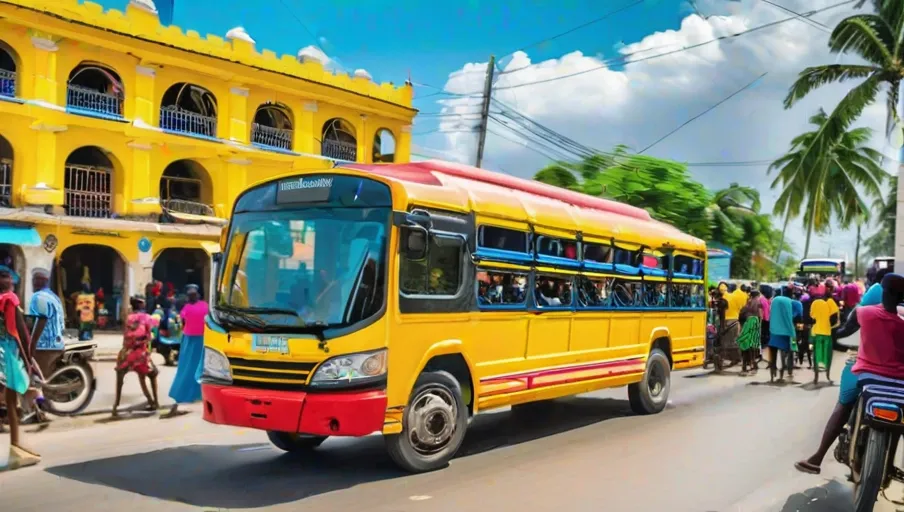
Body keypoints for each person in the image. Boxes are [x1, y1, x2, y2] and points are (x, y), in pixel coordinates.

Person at [794, 275, 904, 475]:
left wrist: (832, 337)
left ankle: (818, 456)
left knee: (844, 403)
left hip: (866, 373)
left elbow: (845, 331)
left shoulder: (865, 312)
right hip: (899, 381)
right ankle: (889, 466)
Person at [0, 265, 40, 470]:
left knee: (10, 400)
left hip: (6, 353)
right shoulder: (10, 300)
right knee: (13, 396)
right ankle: (16, 446)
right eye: (5, 277)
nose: (9, 281)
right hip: (6, 354)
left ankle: (16, 446)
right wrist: (28, 359)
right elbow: (20, 333)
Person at [162, 284, 208, 419]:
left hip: (198, 339)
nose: (192, 296)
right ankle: (189, 395)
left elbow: (182, 321)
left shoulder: (200, 306)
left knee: (198, 366)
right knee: (188, 367)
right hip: (191, 339)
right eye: (190, 294)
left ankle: (197, 394)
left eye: (194, 294)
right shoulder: (190, 307)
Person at [112, 295, 160, 417]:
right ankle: (155, 401)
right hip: (140, 354)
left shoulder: (128, 317)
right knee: (152, 374)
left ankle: (116, 405)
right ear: (141, 304)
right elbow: (150, 333)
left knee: (128, 375)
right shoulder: (146, 317)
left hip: (126, 353)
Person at [28, 268, 66, 381]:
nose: (34, 283)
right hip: (57, 344)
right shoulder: (53, 296)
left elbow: (41, 320)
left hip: (43, 346)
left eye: (36, 280)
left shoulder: (38, 297)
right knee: (48, 377)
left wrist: (32, 344)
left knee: (41, 379)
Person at [768, 285, 802, 382]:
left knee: (772, 350)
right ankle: (790, 369)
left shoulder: (774, 301)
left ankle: (772, 368)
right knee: (792, 348)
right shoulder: (796, 303)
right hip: (789, 331)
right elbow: (799, 317)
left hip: (774, 330)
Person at [810, 282, 840, 384]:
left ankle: (816, 377)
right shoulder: (831, 302)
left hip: (816, 332)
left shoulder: (814, 302)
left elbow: (812, 317)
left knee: (816, 355)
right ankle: (827, 376)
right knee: (827, 356)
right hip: (827, 333)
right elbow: (836, 319)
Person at [737, 292, 762, 375]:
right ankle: (753, 366)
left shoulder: (745, 307)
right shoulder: (758, 305)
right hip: (754, 330)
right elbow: (760, 318)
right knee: (753, 349)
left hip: (745, 330)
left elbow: (740, 320)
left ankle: (744, 368)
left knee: (745, 349)